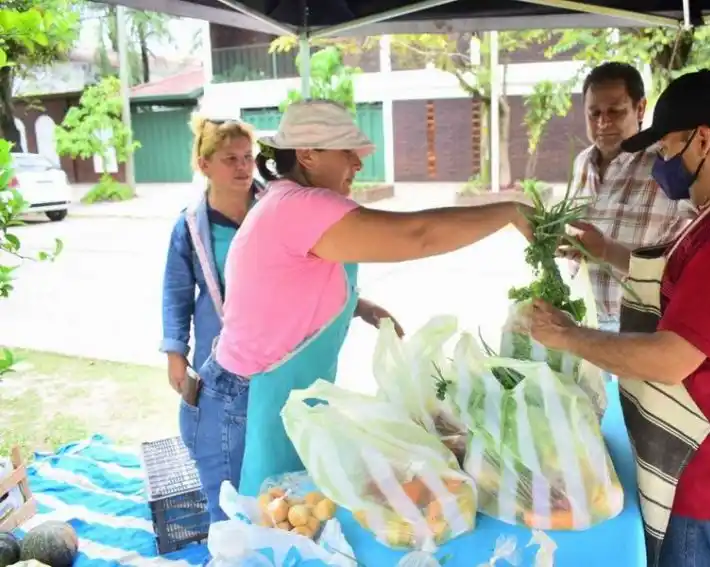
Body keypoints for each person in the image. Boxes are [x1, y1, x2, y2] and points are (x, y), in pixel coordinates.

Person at [184, 99, 533, 520]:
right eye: (346, 152)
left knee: (283, 526)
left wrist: (358, 306)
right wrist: (510, 212)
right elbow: (417, 235)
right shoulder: (301, 206)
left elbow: (287, 284)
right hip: (243, 407)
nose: (357, 164)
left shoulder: (288, 201)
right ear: (308, 154)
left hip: (265, 398)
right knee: (249, 535)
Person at [524, 70, 710, 567]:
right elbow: (676, 282)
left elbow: (671, 358)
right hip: (700, 464)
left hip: (703, 478)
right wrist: (606, 250)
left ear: (704, 139)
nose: (660, 162)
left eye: (668, 147)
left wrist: (567, 336)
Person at [159, 116, 259, 514]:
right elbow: (176, 292)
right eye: (230, 158)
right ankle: (228, 524)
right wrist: (175, 354)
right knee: (219, 440)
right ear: (205, 165)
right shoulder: (190, 226)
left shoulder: (274, 208)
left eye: (249, 157)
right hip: (219, 348)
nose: (243, 167)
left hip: (277, 345)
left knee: (267, 433)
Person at [568, 62, 694, 341]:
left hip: (639, 327)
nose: (603, 122)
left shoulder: (667, 165)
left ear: (640, 109)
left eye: (615, 111)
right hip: (583, 319)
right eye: (594, 113)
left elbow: (691, 265)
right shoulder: (582, 163)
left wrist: (606, 250)